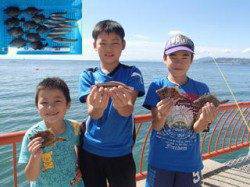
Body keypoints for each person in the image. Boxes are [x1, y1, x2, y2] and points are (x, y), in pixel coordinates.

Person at [143, 34, 218, 187]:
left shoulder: (201, 88)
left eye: (185, 56)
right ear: (164, 58)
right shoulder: (156, 86)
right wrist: (161, 115)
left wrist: (205, 119)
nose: (178, 61)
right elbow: (157, 126)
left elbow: (197, 129)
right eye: (173, 56)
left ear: (191, 60)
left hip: (190, 163)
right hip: (160, 161)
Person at [78, 19, 145, 187]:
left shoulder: (133, 72)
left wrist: (121, 104)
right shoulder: (88, 75)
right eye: (103, 43)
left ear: (123, 44)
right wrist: (97, 108)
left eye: (115, 43)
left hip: (121, 152)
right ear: (94, 45)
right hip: (90, 150)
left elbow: (127, 109)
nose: (109, 48)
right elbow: (93, 113)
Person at [18, 77, 83, 186]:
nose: (50, 107)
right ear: (37, 107)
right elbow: (31, 177)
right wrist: (35, 156)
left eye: (57, 101)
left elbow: (80, 147)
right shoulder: (31, 135)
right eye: (44, 102)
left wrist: (81, 167)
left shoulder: (75, 128)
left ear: (68, 104)